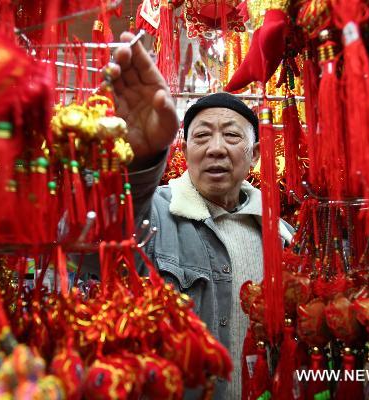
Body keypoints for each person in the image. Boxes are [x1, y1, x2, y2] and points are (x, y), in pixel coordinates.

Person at [107, 31, 293, 399]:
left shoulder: (283, 234)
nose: (217, 149)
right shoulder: (156, 212)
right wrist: (140, 163)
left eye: (232, 137)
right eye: (202, 136)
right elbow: (102, 241)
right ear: (186, 149)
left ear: (254, 155)